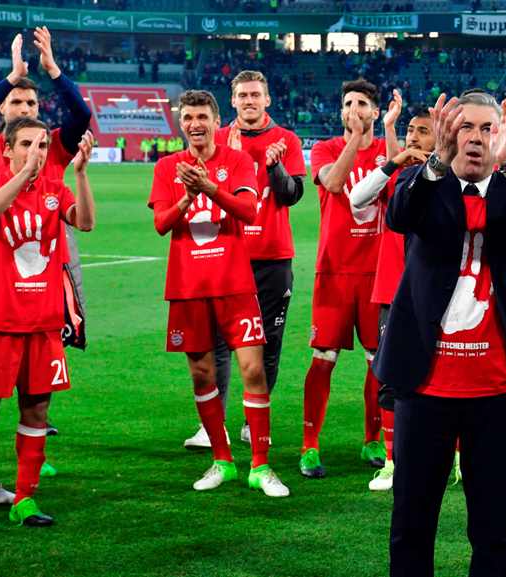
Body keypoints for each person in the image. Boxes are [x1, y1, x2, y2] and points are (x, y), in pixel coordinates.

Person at [376, 90, 506, 577]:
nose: (477, 139)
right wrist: (437, 160)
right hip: (425, 387)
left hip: (498, 391)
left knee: (494, 530)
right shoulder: (427, 183)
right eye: (467, 128)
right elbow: (398, 214)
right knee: (412, 525)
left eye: (487, 128)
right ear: (448, 132)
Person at [0, 26, 92, 502]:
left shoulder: (50, 145)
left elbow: (80, 114)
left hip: (48, 259)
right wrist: (12, 76)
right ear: (1, 112)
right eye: (16, 104)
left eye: (32, 105)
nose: (25, 111)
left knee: (37, 388)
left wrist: (53, 70)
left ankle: (24, 470)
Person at [148, 89, 288, 498]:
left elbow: (248, 212)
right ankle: (223, 460)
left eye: (202, 117)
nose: (195, 125)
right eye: (188, 117)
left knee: (253, 370)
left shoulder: (238, 161)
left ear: (215, 119)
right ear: (182, 122)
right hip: (188, 287)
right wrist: (188, 196)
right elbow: (161, 224)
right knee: (201, 373)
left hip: (234, 283)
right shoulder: (167, 167)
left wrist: (208, 187)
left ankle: (261, 466)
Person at [183, 70, 306, 450]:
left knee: (267, 342)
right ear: (232, 101)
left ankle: (256, 420)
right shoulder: (217, 139)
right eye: (243, 95)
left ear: (267, 99)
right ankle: (212, 425)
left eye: (256, 94)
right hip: (222, 255)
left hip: (270, 256)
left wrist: (275, 167)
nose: (250, 101)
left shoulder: (286, 140)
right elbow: (192, 184)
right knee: (217, 343)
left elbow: (290, 195)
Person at [347, 93, 436, 491]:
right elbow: (356, 197)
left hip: (437, 293)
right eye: (411, 130)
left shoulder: (452, 177)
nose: (414, 137)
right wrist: (393, 158)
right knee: (391, 378)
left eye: (423, 131)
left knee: (443, 375)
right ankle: (392, 462)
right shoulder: (395, 175)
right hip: (392, 291)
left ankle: (450, 455)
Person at [301, 78, 386, 478]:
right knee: (323, 358)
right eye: (348, 103)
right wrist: (354, 138)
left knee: (378, 360)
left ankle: (373, 439)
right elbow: (334, 182)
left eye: (362, 103)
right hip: (333, 270)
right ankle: (310, 445)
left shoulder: (389, 152)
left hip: (377, 273)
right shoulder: (325, 149)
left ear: (376, 112)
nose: (354, 108)